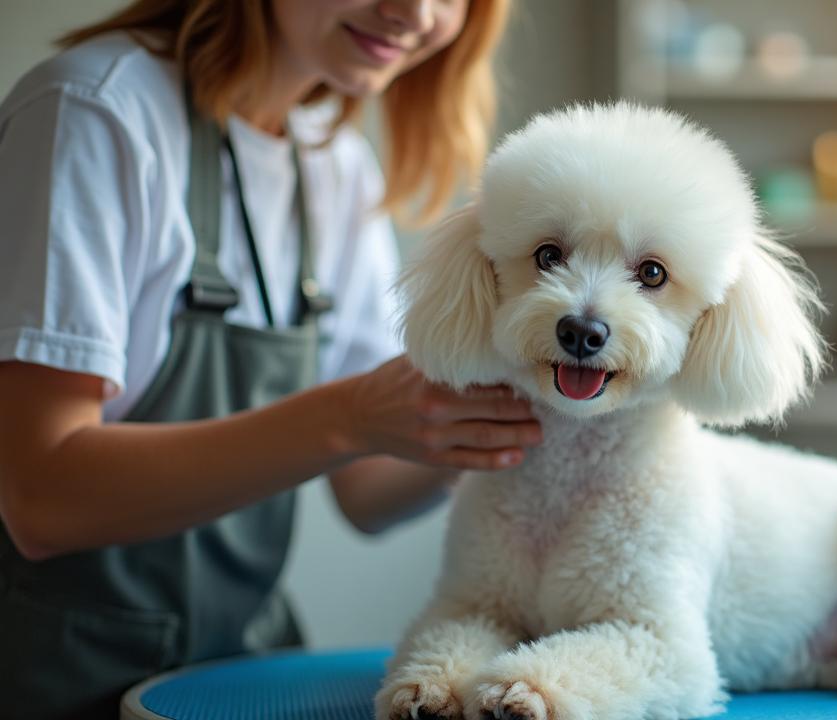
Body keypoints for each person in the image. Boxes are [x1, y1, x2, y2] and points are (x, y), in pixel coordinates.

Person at [0, 1, 539, 717]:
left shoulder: (334, 167)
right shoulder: (95, 112)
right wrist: (348, 415)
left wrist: (510, 418)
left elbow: (368, 492)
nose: (414, 12)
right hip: (53, 677)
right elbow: (42, 499)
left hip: (230, 666)